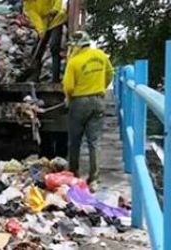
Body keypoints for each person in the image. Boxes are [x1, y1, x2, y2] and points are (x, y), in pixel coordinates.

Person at [63, 31, 114, 191]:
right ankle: (94, 180)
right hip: (99, 100)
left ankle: (73, 174)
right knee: (94, 142)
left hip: (79, 102)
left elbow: (69, 87)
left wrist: (68, 98)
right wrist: (101, 88)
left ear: (76, 46)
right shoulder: (101, 55)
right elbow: (110, 74)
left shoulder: (74, 61)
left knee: (75, 141)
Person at [23, 0, 67, 83]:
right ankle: (35, 76)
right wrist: (40, 31)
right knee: (37, 50)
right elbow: (35, 18)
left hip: (57, 19)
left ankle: (55, 79)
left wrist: (55, 9)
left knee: (54, 47)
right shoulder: (27, 5)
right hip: (45, 24)